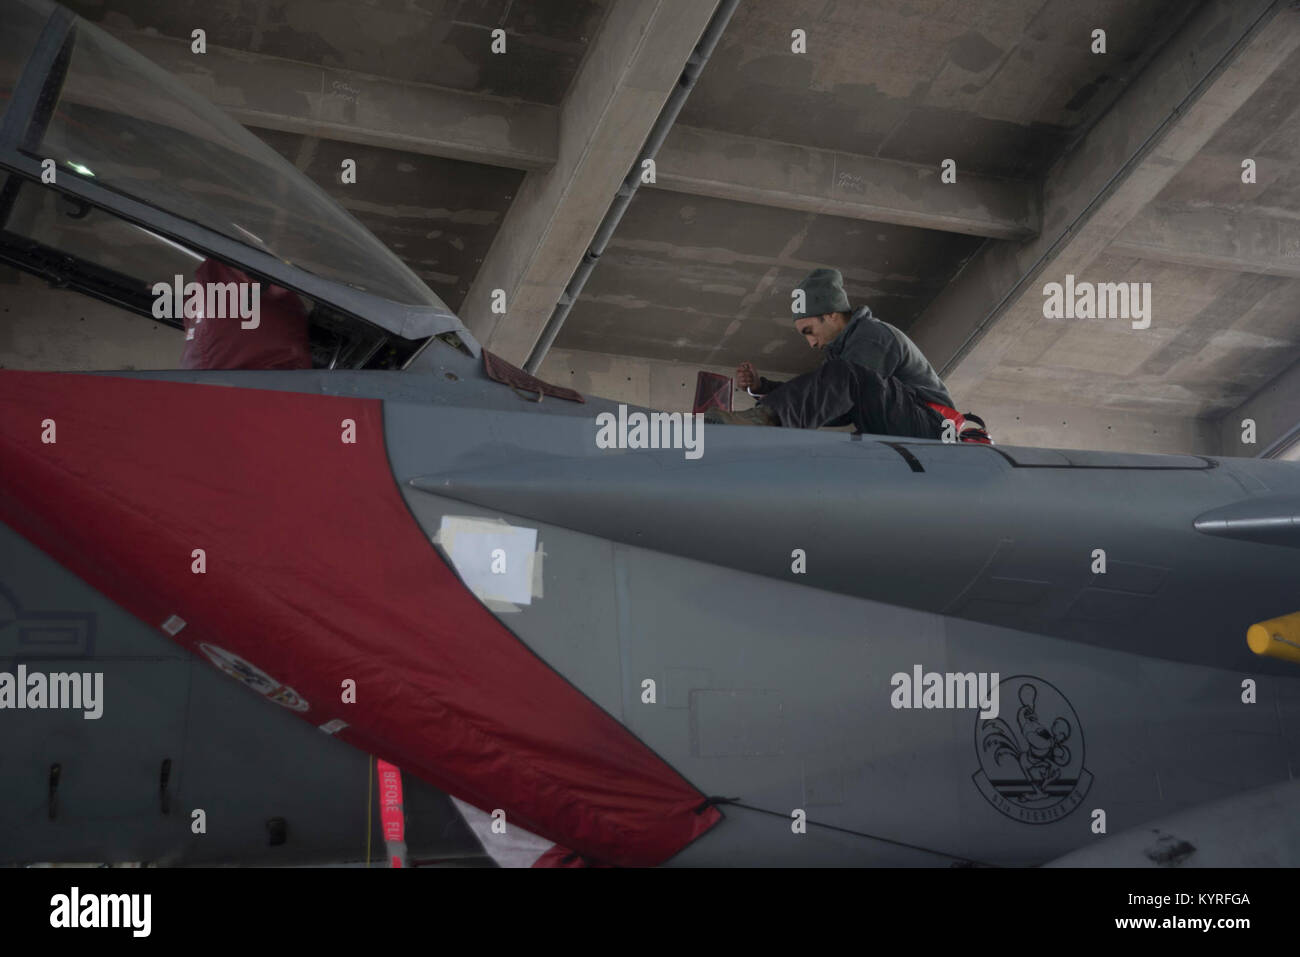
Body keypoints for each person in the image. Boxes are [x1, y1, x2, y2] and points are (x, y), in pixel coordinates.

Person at [706, 267, 958, 439]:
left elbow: (838, 405)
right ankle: (764, 419)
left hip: (933, 427)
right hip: (904, 423)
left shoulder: (873, 336)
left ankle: (763, 421)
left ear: (831, 314)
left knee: (842, 375)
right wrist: (764, 388)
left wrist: (770, 412)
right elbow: (832, 404)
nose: (811, 343)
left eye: (809, 330)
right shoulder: (846, 356)